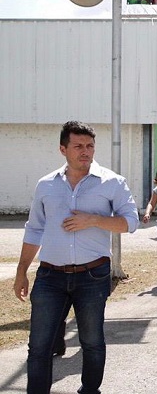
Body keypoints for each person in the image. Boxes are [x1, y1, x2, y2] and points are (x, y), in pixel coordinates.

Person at [13, 120, 139, 394]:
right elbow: (34, 228)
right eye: (78, 146)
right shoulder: (46, 185)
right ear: (63, 149)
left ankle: (90, 390)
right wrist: (22, 270)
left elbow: (131, 222)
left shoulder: (112, 182)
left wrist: (94, 220)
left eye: (90, 146)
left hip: (92, 276)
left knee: (92, 342)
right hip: (50, 276)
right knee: (39, 346)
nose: (86, 151)